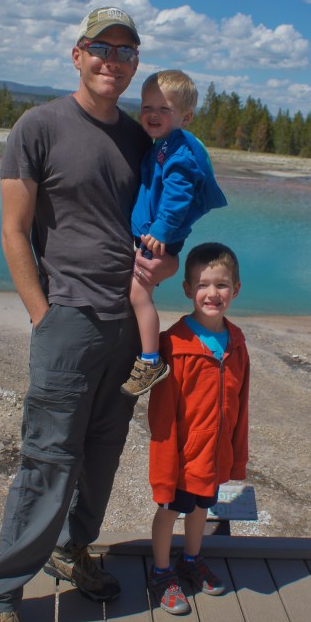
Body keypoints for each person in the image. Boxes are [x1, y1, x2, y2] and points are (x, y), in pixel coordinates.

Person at [0, 6, 178, 622]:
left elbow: (159, 228)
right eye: (100, 47)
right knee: (48, 460)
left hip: (128, 328)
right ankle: (1, 596)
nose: (110, 60)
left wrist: (168, 263)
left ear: (135, 63)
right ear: (76, 54)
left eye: (124, 51)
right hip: (67, 322)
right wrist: (42, 312)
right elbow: (13, 230)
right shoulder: (37, 127)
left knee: (101, 454)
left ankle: (72, 549)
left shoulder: (141, 140)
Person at [146, 242, 249, 614]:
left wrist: (236, 455)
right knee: (170, 510)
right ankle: (160, 570)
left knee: (202, 509)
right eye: (203, 285)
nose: (212, 293)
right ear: (188, 289)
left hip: (214, 454)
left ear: (235, 289)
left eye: (221, 285)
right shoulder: (173, 344)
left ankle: (191, 559)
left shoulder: (236, 342)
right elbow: (161, 416)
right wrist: (164, 464)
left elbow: (241, 404)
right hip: (181, 457)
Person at [120, 71, 227, 397]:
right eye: (146, 106)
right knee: (137, 293)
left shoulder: (178, 152)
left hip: (158, 236)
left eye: (163, 109)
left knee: (139, 295)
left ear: (186, 116)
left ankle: (150, 359)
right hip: (154, 233)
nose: (153, 114)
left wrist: (160, 231)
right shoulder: (165, 144)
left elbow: (178, 196)